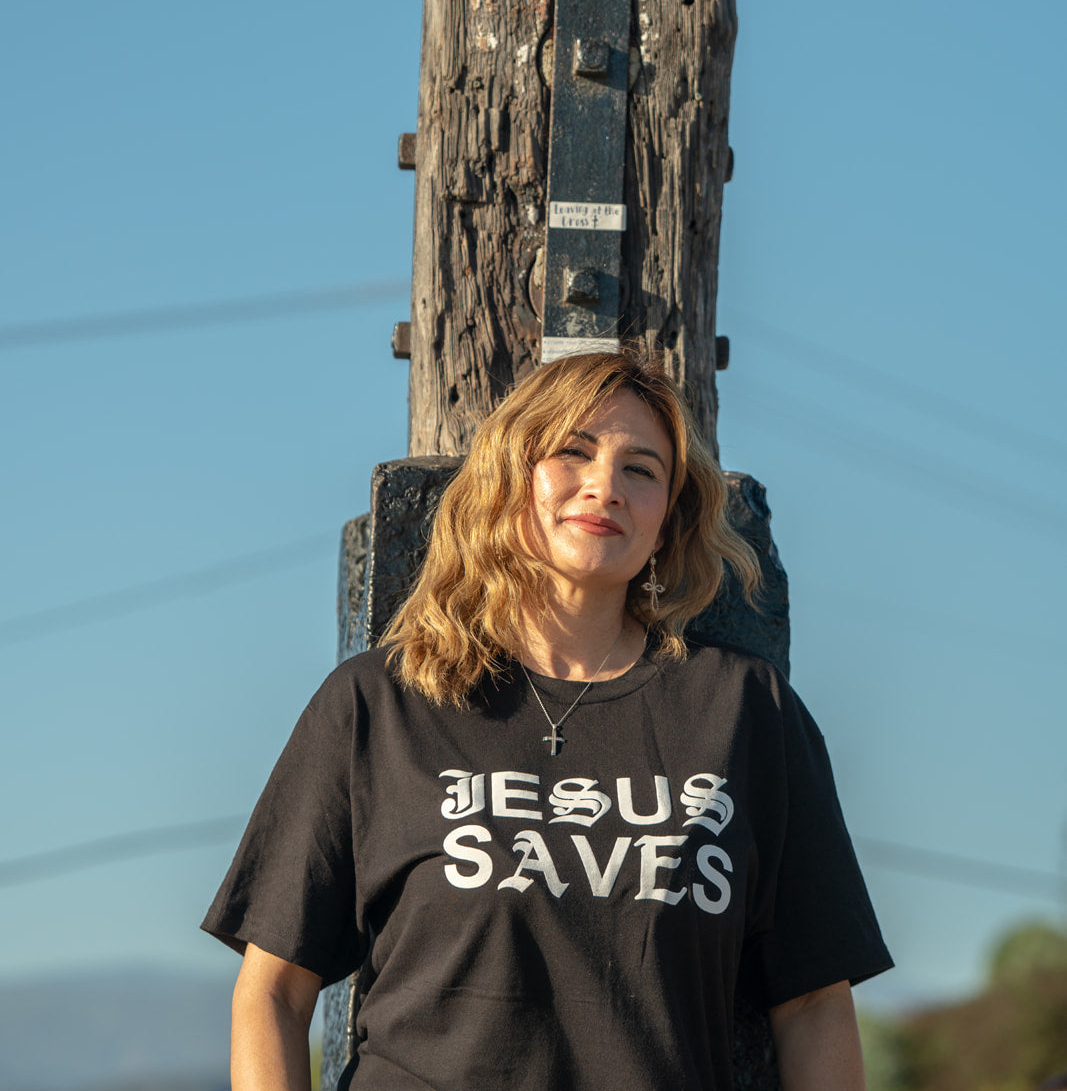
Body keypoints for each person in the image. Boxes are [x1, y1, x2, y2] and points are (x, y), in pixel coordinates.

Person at [203, 347, 891, 1090]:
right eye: (573, 452)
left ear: (666, 520)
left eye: (641, 469)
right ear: (510, 478)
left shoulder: (744, 712)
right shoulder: (381, 703)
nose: (605, 486)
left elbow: (816, 1004)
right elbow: (271, 991)